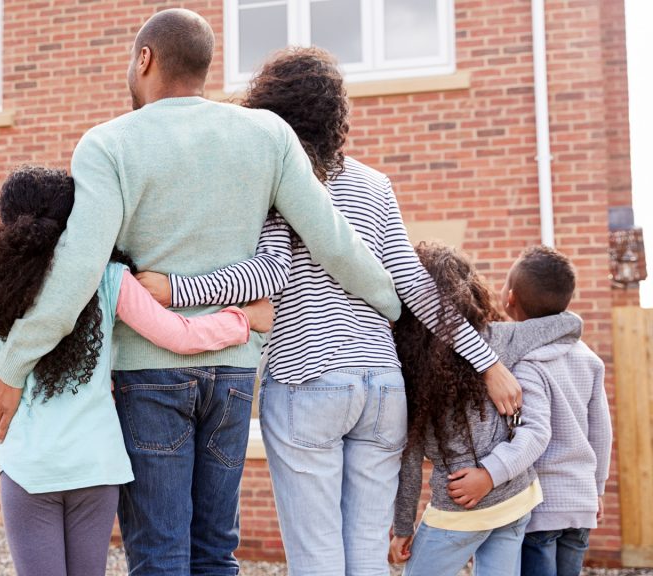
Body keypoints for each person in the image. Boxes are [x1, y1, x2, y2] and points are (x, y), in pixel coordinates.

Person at [0, 9, 412, 575]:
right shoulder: (268, 134)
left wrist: (12, 368)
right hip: (233, 373)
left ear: (145, 59)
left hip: (148, 376)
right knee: (215, 551)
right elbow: (334, 242)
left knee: (160, 553)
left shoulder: (107, 144)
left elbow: (79, 271)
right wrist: (392, 305)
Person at [135, 47, 523, 576]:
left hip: (308, 380)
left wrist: (176, 289)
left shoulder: (277, 180)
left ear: (271, 106)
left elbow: (268, 273)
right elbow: (412, 283)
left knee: (317, 559)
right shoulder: (374, 184)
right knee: (366, 557)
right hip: (383, 389)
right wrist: (489, 363)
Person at [0, 166, 273, 576]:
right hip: (96, 466)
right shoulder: (108, 279)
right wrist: (245, 320)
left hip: (29, 467)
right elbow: (179, 335)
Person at [387, 242, 581, 576]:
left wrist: (403, 526)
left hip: (461, 507)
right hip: (517, 497)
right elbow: (570, 323)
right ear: (471, 293)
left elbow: (410, 459)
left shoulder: (409, 371)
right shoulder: (502, 339)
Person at [501, 247, 611, 576]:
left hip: (541, 506)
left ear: (510, 299)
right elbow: (601, 432)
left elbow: (533, 433)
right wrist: (598, 488)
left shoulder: (528, 362)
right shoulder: (589, 359)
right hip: (580, 500)